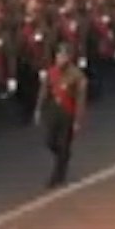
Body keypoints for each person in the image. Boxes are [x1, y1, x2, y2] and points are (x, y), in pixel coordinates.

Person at [35, 41, 87, 189]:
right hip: (53, 111)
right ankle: (63, 157)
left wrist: (78, 120)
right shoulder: (51, 72)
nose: (60, 59)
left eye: (63, 56)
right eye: (58, 56)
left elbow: (80, 100)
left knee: (64, 145)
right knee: (49, 141)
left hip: (67, 113)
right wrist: (38, 109)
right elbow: (44, 91)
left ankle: (57, 176)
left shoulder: (77, 76)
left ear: (68, 58)